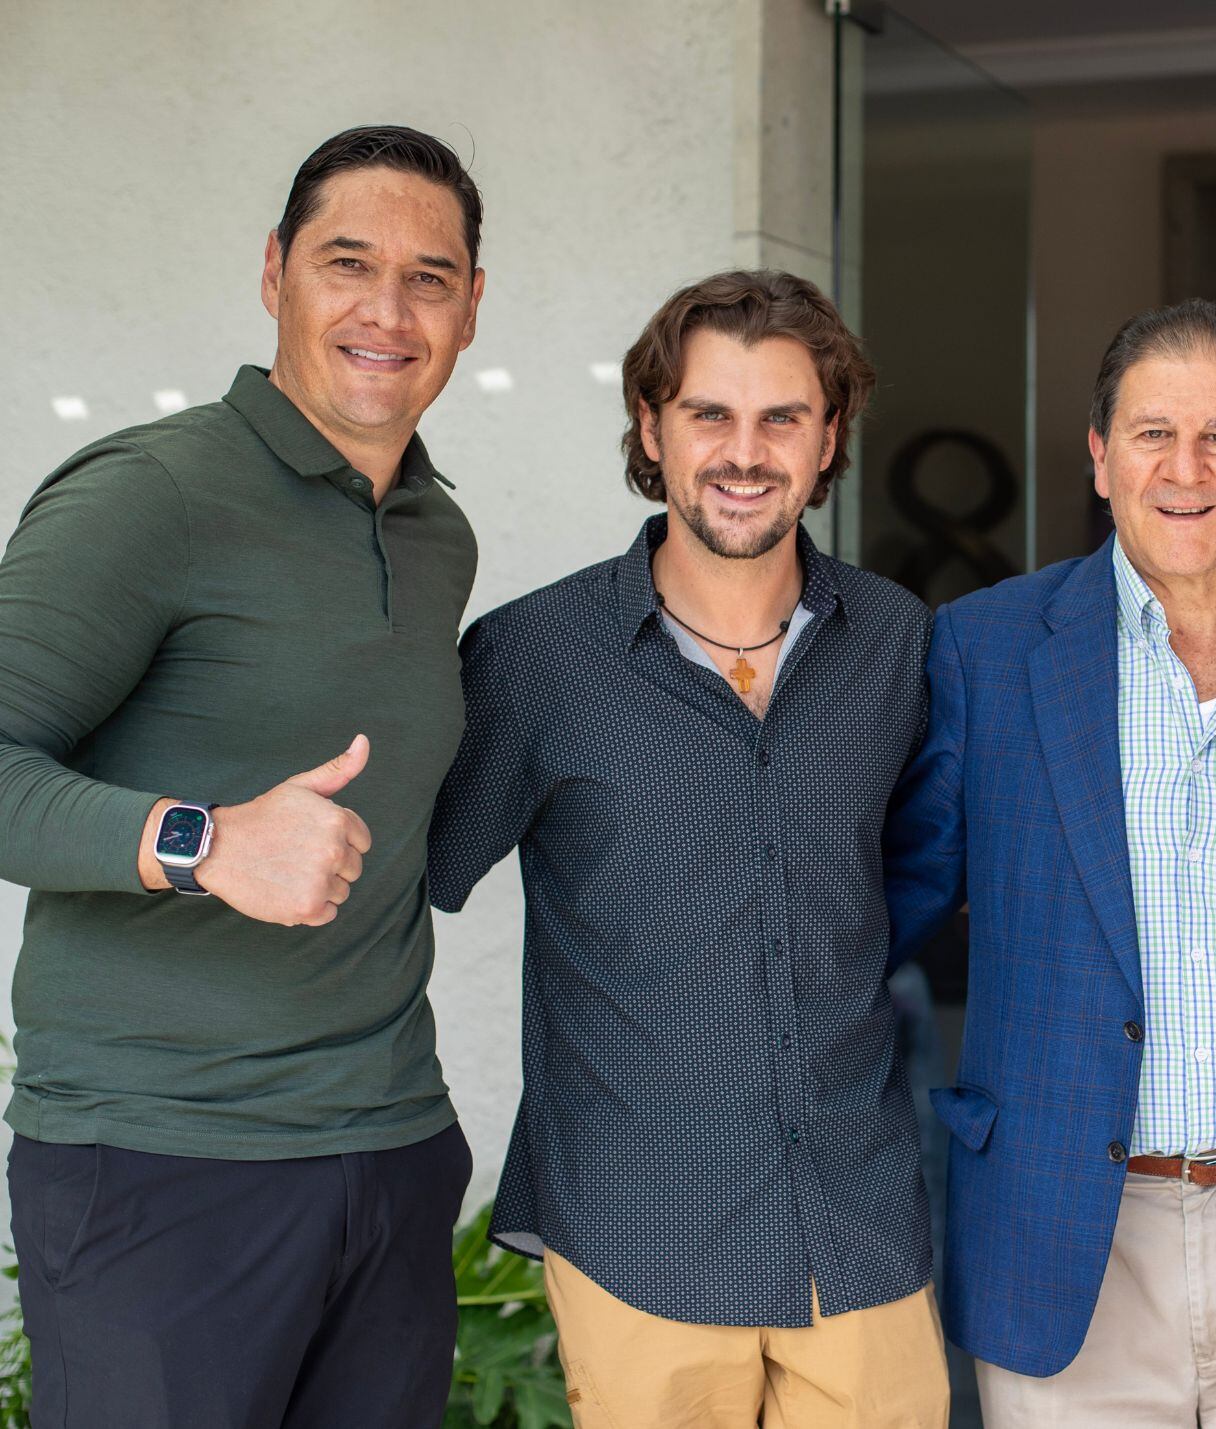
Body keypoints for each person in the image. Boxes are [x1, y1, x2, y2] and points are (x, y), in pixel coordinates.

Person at [0, 126, 485, 1425]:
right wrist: (195, 842)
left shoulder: (438, 535)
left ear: (471, 308)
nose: (388, 310)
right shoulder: (148, 495)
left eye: (430, 277)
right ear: (275, 273)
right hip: (162, 1163)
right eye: (348, 263)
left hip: (385, 1152)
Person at [886, 299, 1216, 1426]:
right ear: (1097, 455)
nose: (1185, 469)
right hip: (1064, 1227)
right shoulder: (983, 648)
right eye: (1149, 434)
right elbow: (887, 903)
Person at [427, 270, 949, 1428]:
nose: (743, 450)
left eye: (782, 417)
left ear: (829, 440)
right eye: (709, 414)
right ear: (651, 432)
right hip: (639, 1229)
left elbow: (919, 873)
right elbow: (404, 880)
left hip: (857, 1224)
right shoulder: (531, 658)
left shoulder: (897, 645)